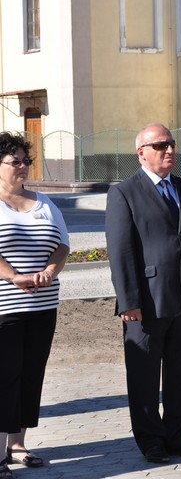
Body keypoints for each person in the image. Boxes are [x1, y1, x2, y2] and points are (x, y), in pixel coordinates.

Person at [105, 123, 181, 463]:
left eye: (171, 143)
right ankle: (151, 441)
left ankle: (178, 436)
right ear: (141, 153)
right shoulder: (124, 192)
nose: (169, 150)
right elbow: (121, 251)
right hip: (145, 303)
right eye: (160, 145)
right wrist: (128, 301)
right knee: (144, 376)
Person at [0, 132, 70, 478]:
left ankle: (17, 444)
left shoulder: (44, 203)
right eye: (15, 161)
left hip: (43, 306)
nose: (23, 166)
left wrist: (49, 271)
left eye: (26, 161)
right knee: (4, 377)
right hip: (4, 307)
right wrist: (14, 276)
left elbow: (62, 245)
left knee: (30, 375)